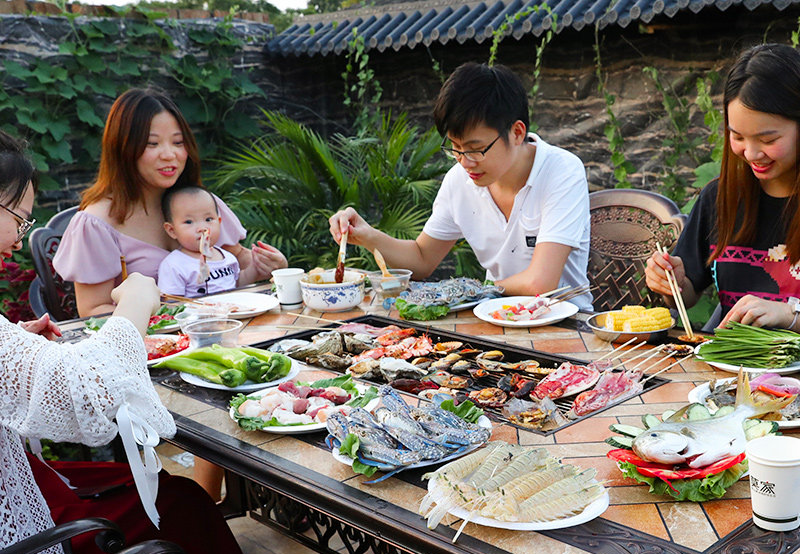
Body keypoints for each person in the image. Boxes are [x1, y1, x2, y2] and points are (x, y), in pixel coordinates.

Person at [0, 131, 269, 554]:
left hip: (23, 481)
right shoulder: (97, 219)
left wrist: (18, 344)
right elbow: (90, 406)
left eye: (177, 141)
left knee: (174, 496)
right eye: (18, 216)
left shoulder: (196, 205)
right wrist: (137, 306)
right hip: (23, 530)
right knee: (179, 506)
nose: (17, 235)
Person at [329, 63, 592, 310]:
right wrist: (365, 235)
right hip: (493, 319)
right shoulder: (459, 180)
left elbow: (540, 283)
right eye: (455, 148)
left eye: (477, 149)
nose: (465, 162)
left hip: (565, 326)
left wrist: (465, 291)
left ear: (517, 133)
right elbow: (421, 259)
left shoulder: (562, 171)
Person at [52, 88, 287, 317]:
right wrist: (159, 321)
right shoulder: (96, 223)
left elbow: (239, 262)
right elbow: (93, 310)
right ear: (122, 149)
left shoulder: (201, 204)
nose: (169, 154)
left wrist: (268, 264)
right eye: (152, 144)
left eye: (178, 142)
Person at [645, 43, 800, 331]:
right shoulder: (720, 198)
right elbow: (688, 293)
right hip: (733, 372)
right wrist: (674, 283)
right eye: (738, 136)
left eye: (768, 140)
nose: (751, 154)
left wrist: (790, 315)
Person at [158, 185, 243, 297]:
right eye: (189, 222)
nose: (202, 228)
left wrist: (256, 269)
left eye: (208, 219)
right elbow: (171, 303)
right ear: (172, 230)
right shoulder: (174, 265)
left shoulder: (228, 258)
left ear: (219, 222)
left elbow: (238, 285)